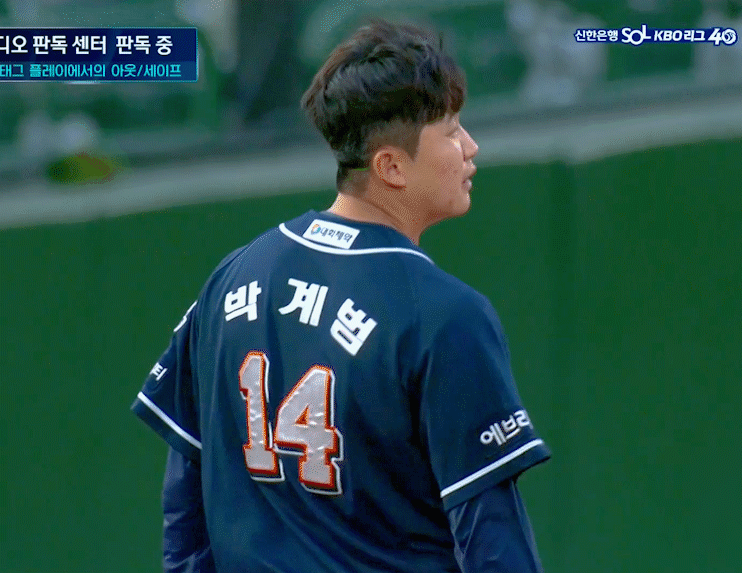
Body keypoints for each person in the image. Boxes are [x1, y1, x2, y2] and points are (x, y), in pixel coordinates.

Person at [132, 19, 551, 573]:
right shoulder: (446, 316)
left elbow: (185, 496)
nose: (471, 146)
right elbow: (492, 538)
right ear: (391, 166)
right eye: (451, 132)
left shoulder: (232, 277)